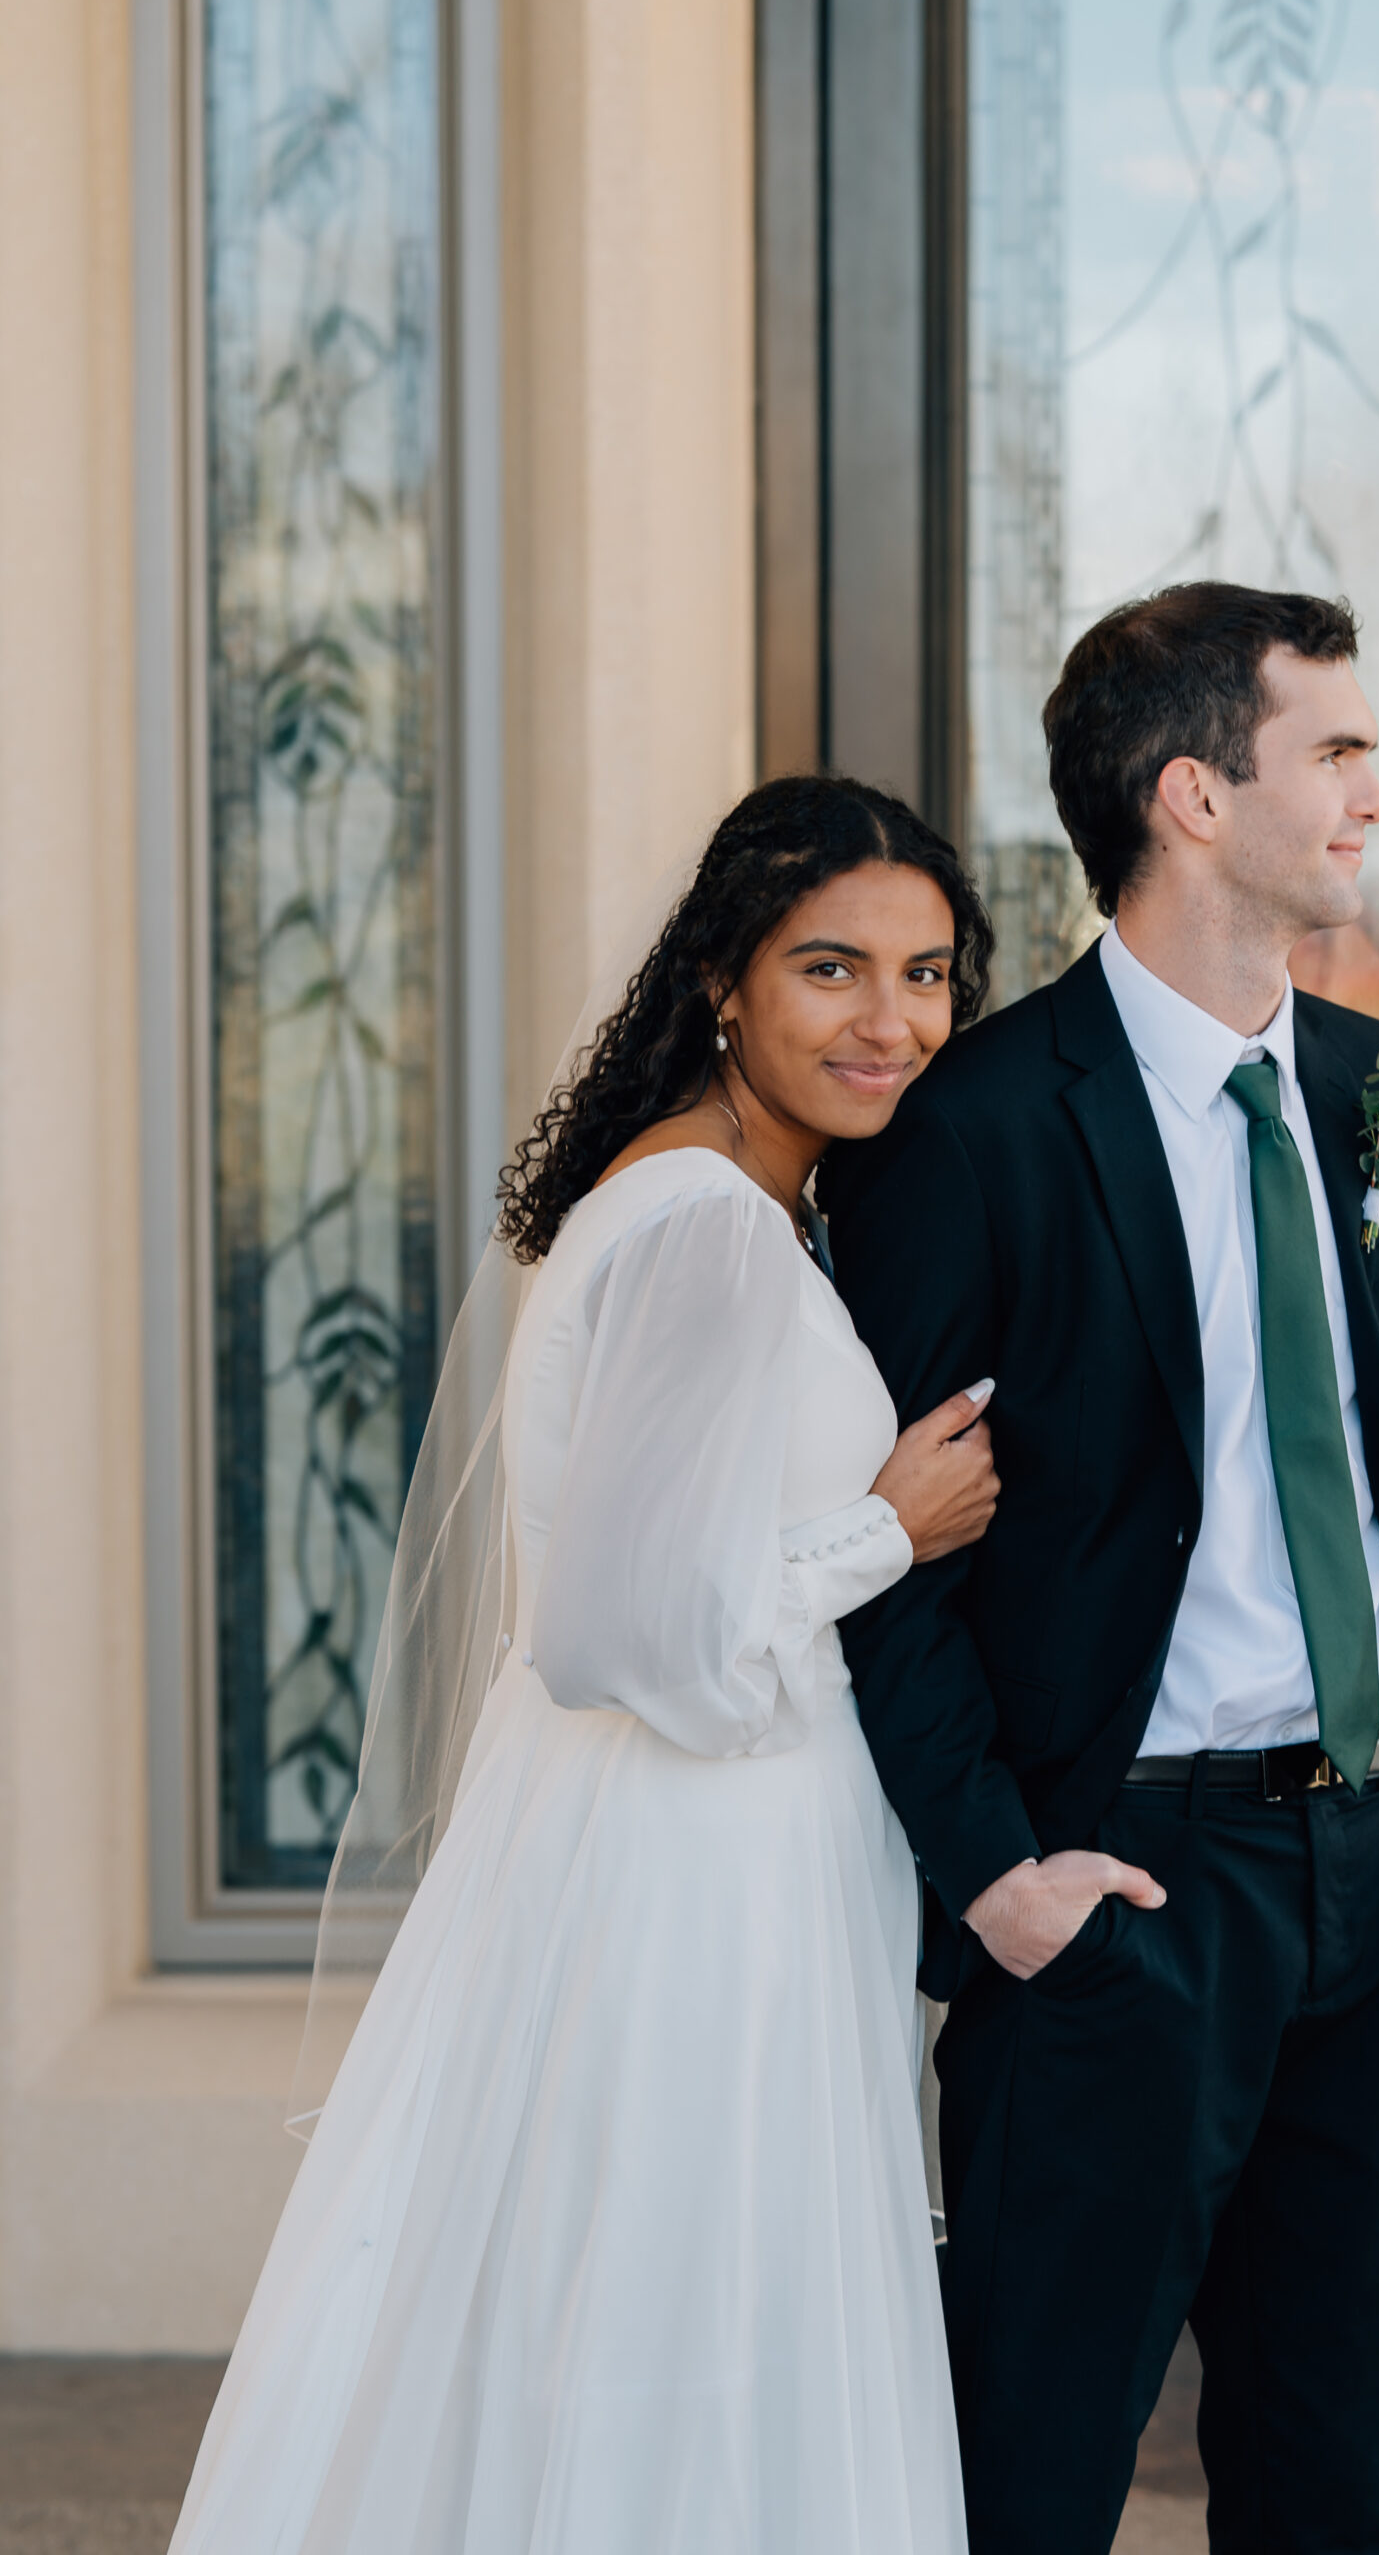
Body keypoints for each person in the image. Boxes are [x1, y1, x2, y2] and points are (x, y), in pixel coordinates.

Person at [168, 774, 1000, 2555]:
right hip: (691, 1873)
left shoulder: (727, 1202)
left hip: (687, 1849)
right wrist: (889, 1526)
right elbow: (629, 1634)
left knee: (646, 2312)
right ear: (723, 981)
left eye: (927, 975)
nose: (892, 1020)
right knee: (676, 2320)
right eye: (833, 968)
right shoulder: (702, 1226)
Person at [821, 584, 1379, 2555]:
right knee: (1028, 2487)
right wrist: (1000, 1880)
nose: (1373, 792)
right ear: (1195, 794)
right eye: (1334, 751)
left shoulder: (1371, 1082)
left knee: (1320, 2489)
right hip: (1121, 1899)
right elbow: (891, 1554)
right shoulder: (974, 1124)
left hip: (1370, 1872)